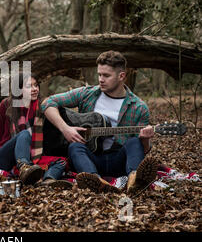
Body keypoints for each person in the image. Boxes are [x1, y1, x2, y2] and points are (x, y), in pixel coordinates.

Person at [42, 51, 159, 193]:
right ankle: (95, 180)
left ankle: (135, 181)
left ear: (121, 76)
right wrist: (65, 128)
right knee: (74, 147)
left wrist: (145, 140)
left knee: (134, 143)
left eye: (106, 75)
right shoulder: (87, 94)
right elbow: (48, 102)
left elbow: (142, 151)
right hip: (91, 159)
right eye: (99, 75)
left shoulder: (139, 107)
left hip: (119, 161)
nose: (101, 79)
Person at [0, 72, 73, 188]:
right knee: (24, 134)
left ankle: (49, 180)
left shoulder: (43, 106)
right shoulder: (7, 105)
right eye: (29, 86)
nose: (35, 89)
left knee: (61, 161)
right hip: (4, 157)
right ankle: (24, 167)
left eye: (36, 85)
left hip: (32, 156)